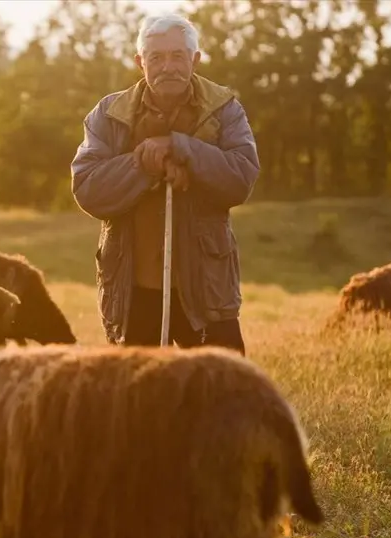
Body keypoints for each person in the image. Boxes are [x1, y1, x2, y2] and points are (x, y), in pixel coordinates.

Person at [70, 13, 260, 356]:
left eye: (178, 56)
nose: (167, 66)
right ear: (140, 62)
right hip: (133, 290)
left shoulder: (225, 109)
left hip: (205, 287)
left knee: (222, 395)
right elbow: (87, 188)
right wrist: (147, 163)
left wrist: (180, 147)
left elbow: (241, 178)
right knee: (135, 400)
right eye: (156, 57)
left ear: (195, 60)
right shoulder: (109, 113)